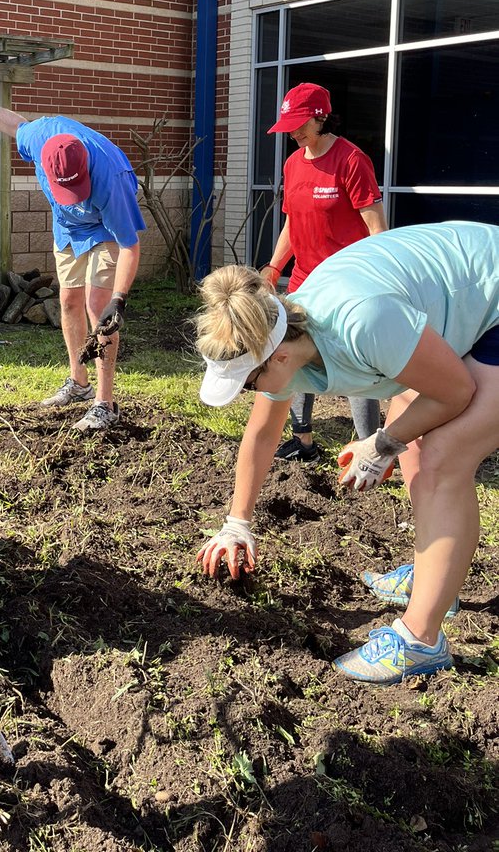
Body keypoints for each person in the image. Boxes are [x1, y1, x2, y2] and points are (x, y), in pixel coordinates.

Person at [193, 221, 499, 685]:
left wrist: (380, 443)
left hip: (493, 295)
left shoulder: (363, 322)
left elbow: (455, 394)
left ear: (276, 357)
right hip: (461, 299)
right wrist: (237, 524)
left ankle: (420, 642)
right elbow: (260, 434)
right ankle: (437, 578)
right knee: (412, 427)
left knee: (442, 454)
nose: (246, 393)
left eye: (247, 382)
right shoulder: (282, 338)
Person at [0, 71, 145, 432]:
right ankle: (79, 383)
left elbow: (130, 245)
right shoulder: (40, 138)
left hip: (105, 228)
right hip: (68, 227)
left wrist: (120, 297)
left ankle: (105, 403)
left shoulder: (110, 180)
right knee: (68, 301)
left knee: (98, 307)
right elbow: (14, 124)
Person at [261, 82, 387, 464]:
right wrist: (273, 266)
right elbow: (292, 222)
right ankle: (304, 442)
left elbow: (376, 228)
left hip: (348, 282)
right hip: (303, 280)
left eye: (300, 124)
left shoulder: (351, 160)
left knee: (354, 359)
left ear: (320, 117)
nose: (294, 133)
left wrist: (378, 279)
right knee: (292, 351)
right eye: (289, 125)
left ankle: (371, 450)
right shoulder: (293, 163)